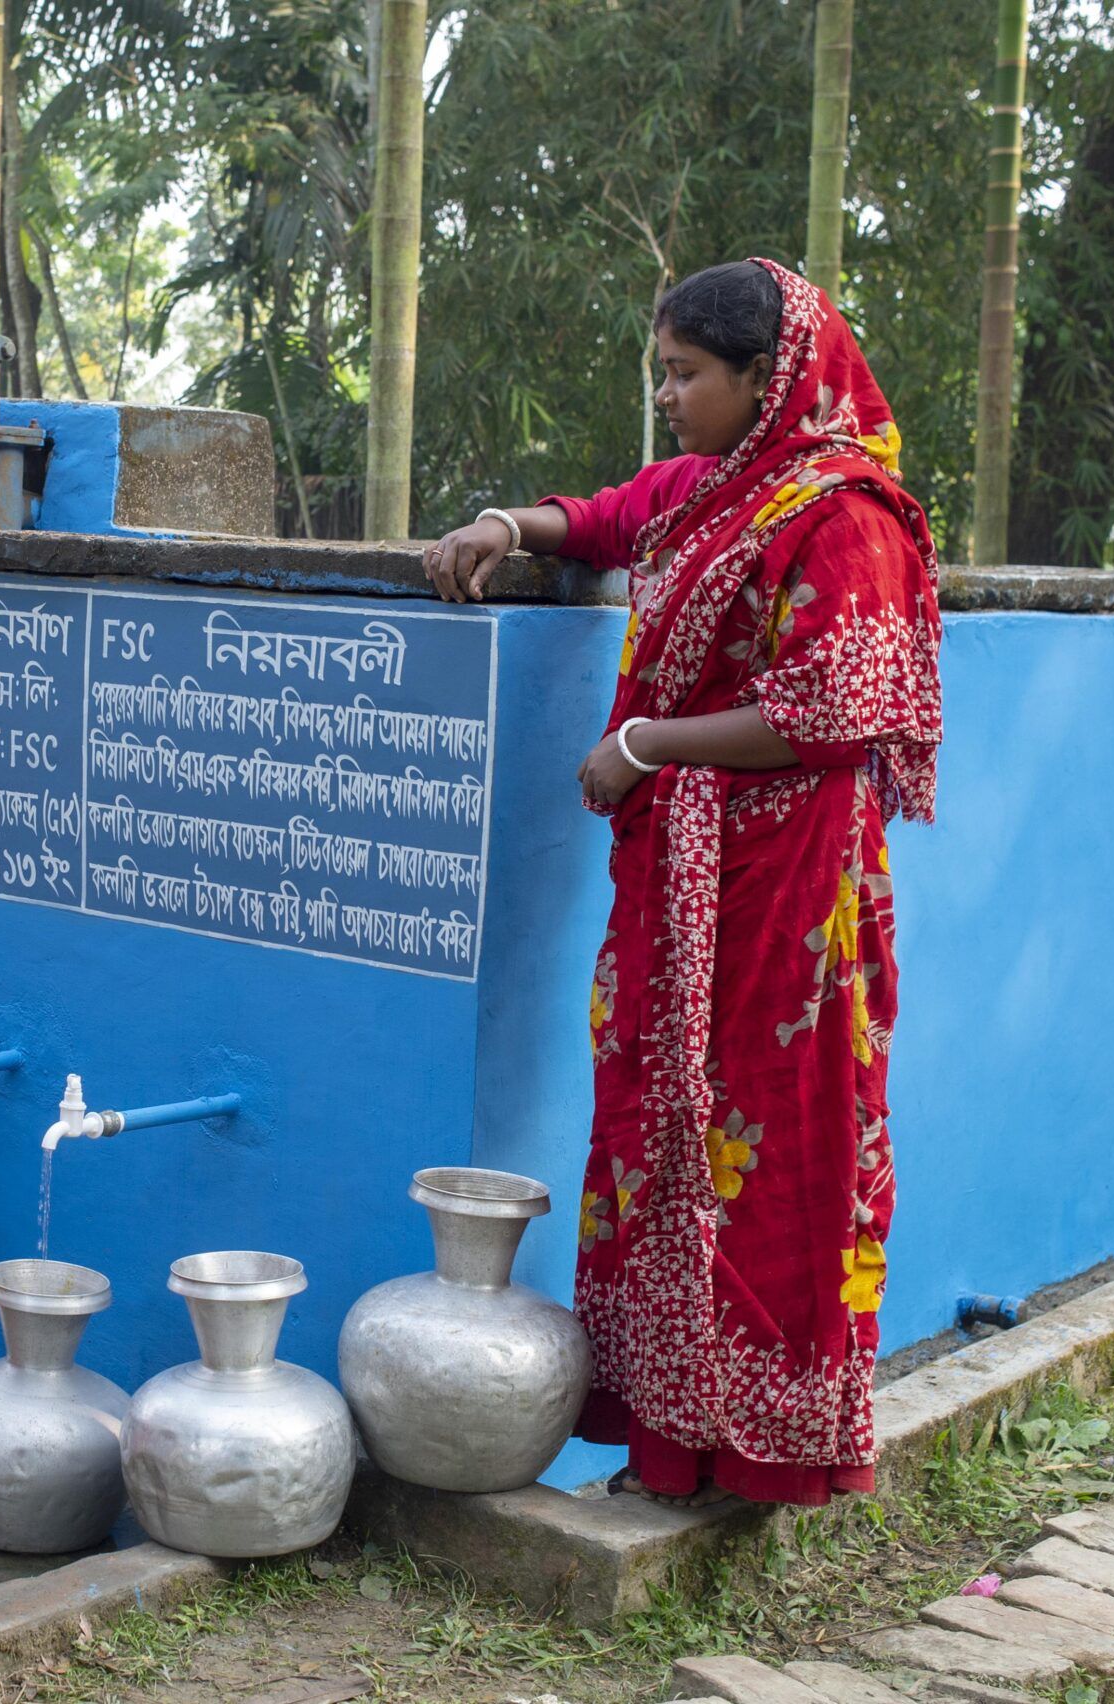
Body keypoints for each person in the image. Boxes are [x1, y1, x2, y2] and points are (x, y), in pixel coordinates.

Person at [428, 259, 942, 1509]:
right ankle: (675, 1438)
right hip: (676, 883)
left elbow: (831, 710)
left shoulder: (842, 519)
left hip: (785, 896)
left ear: (768, 380)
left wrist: (646, 743)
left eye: (685, 373)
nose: (666, 395)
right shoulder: (707, 493)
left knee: (767, 1144)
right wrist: (506, 526)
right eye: (662, 370)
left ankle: (766, 1445)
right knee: (658, 1132)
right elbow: (601, 518)